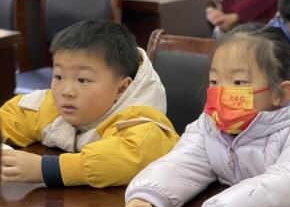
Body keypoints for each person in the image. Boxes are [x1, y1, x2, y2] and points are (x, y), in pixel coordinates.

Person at [117, 24, 290, 207]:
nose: (221, 94)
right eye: (214, 82)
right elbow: (184, 160)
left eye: (238, 83)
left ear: (280, 94)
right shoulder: (213, 122)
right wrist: (144, 201)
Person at [0, 20, 179, 187]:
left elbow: (125, 158)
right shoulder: (52, 105)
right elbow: (14, 116)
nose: (66, 91)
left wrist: (44, 169)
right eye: (59, 76)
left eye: (83, 80)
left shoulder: (143, 125)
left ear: (121, 88)